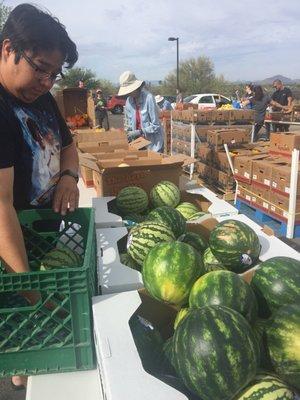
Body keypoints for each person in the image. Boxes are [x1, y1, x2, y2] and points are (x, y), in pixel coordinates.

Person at [0, 3, 79, 389]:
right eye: (39, 67)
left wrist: (68, 177)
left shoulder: (42, 99)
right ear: (7, 49)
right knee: (23, 342)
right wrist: (26, 287)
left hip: (43, 238)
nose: (47, 81)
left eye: (54, 72)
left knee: (38, 346)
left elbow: (69, 145)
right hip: (10, 251)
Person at [118, 71, 163, 152]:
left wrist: (140, 131)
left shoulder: (149, 98)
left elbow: (156, 126)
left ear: (136, 88)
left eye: (130, 90)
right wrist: (128, 132)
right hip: (138, 143)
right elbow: (129, 122)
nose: (129, 93)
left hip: (152, 143)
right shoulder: (129, 101)